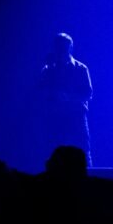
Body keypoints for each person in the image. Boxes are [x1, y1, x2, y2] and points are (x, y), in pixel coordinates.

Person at [37, 32, 93, 166]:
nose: (61, 50)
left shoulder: (80, 68)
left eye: (63, 47)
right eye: (58, 47)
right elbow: (39, 92)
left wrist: (69, 97)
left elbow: (88, 93)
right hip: (55, 116)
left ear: (70, 48)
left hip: (76, 116)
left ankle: (88, 177)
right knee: (53, 151)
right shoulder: (48, 69)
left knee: (83, 150)